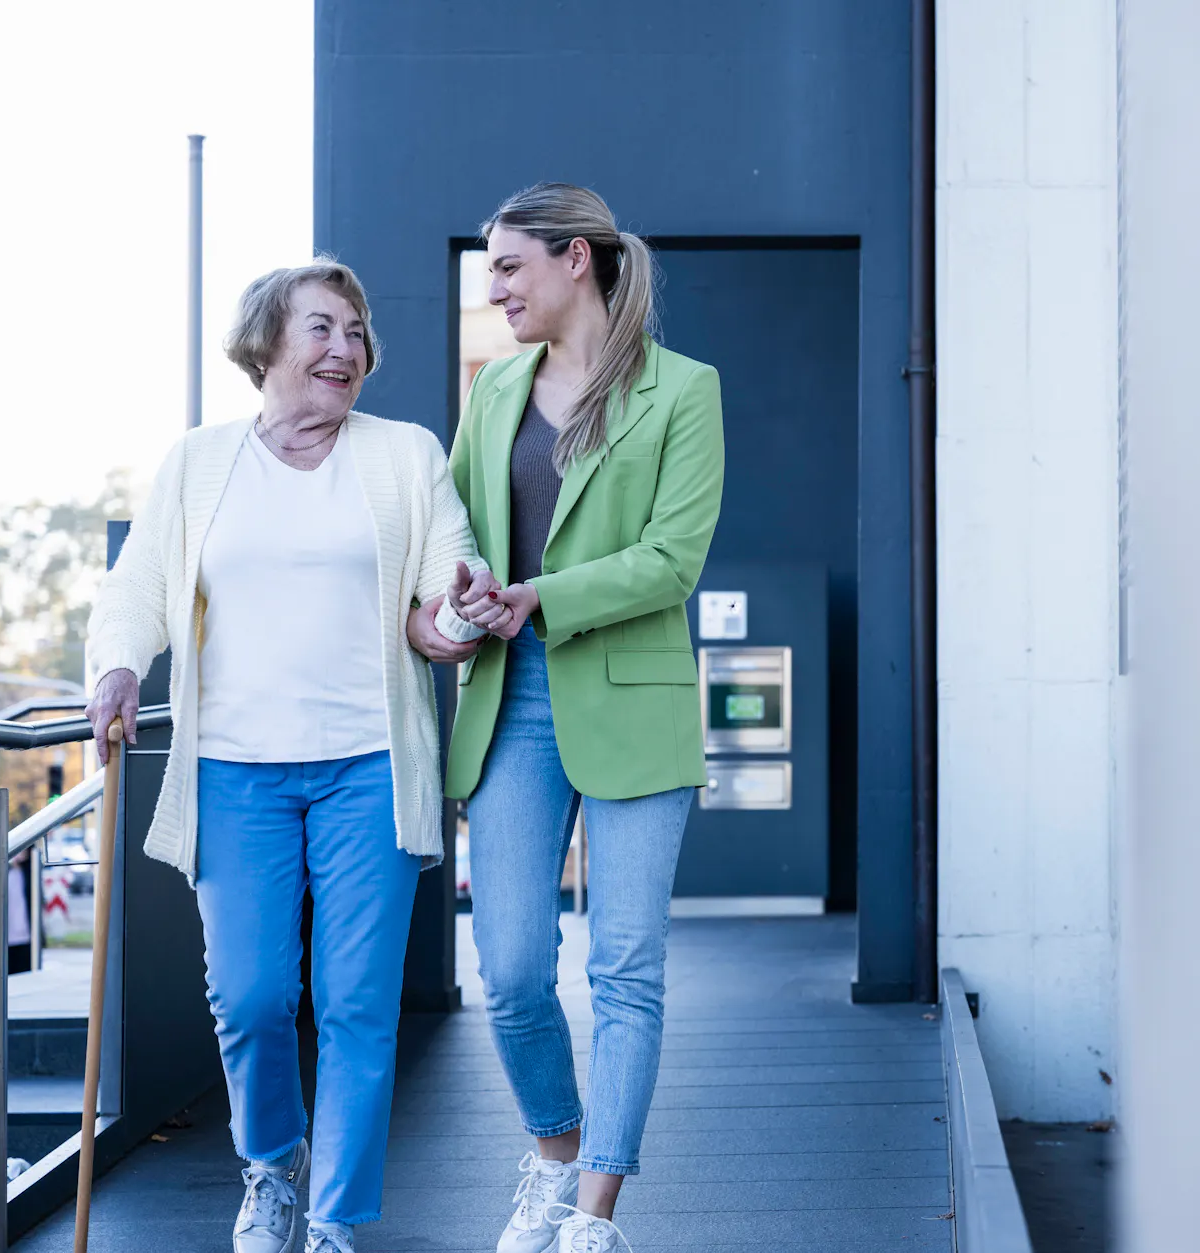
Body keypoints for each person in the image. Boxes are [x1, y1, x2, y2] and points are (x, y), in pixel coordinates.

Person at [85, 260, 497, 1253]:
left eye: (356, 334)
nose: (345, 350)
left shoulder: (403, 453)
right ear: (264, 344)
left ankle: (334, 1216)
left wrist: (458, 613)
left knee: (357, 1001)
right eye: (321, 329)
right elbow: (137, 590)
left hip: (367, 763)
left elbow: (450, 577)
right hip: (233, 768)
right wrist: (116, 669)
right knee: (254, 995)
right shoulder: (200, 461)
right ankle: (271, 1167)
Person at [419, 182, 723, 1253]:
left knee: (625, 965)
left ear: (576, 259)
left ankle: (594, 1216)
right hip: (512, 695)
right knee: (506, 965)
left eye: (509, 266)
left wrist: (540, 594)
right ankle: (554, 1155)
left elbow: (670, 560)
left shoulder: (683, 390)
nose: (494, 287)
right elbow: (459, 535)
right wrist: (465, 595)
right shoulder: (493, 391)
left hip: (628, 692)